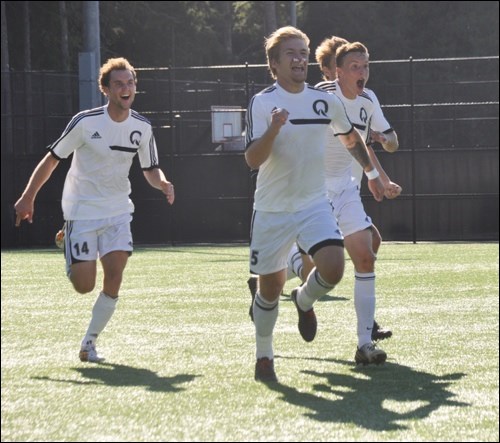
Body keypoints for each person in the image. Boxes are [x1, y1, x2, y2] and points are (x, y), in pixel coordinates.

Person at [245, 26, 385, 382]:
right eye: (290, 53)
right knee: (269, 290)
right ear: (273, 64)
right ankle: (264, 354)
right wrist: (274, 129)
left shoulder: (323, 100)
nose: (299, 58)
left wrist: (372, 173)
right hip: (273, 209)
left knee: (335, 267)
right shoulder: (262, 102)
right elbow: (252, 159)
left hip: (313, 203)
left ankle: (304, 300)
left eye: (302, 52)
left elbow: (350, 137)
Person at [14, 57, 175, 363]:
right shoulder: (85, 122)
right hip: (83, 211)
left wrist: (163, 183)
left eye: (130, 83)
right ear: (105, 89)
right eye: (118, 84)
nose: (125, 89)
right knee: (84, 285)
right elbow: (51, 160)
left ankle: (89, 343)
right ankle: (69, 242)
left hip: (117, 213)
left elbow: (151, 169)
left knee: (115, 275)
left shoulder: (142, 127)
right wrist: (27, 197)